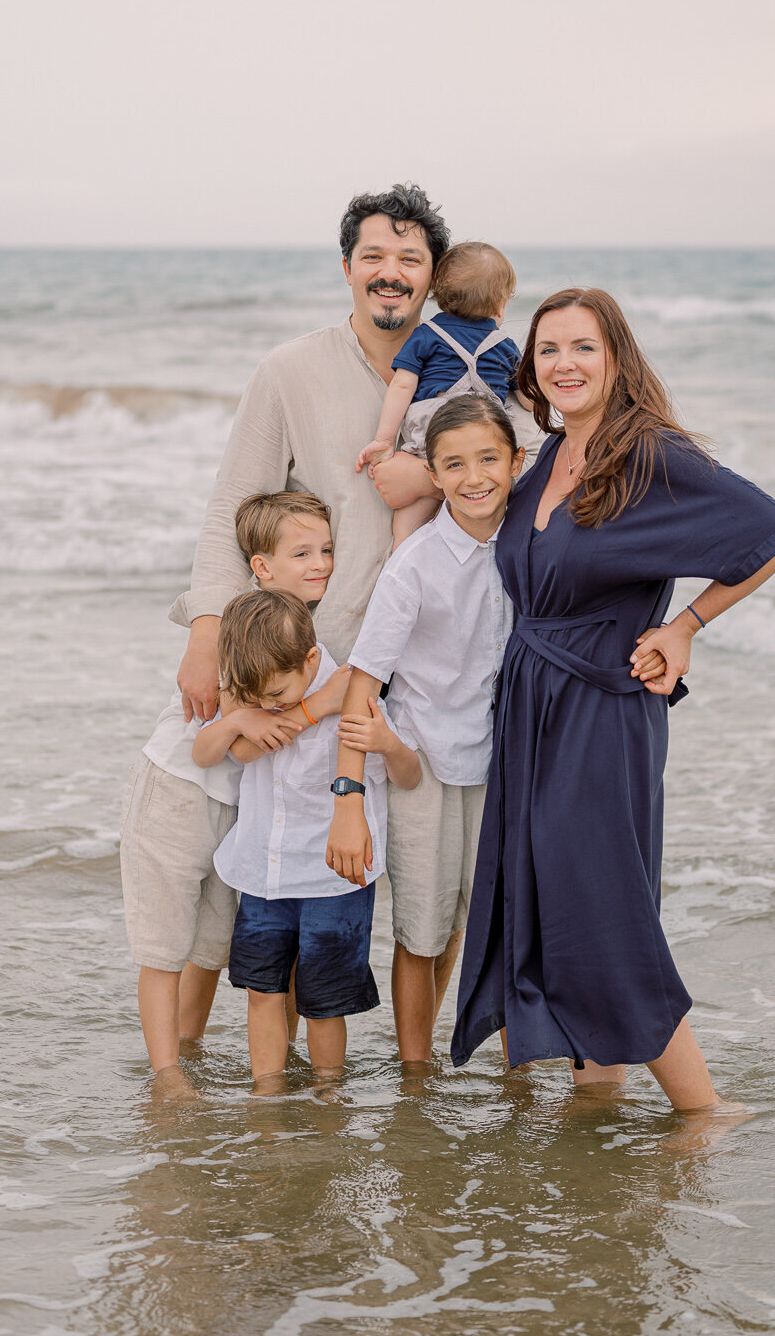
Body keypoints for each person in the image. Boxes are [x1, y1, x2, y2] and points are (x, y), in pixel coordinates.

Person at [450, 287, 775, 1104]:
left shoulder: (647, 453)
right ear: (530, 370)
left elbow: (774, 530)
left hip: (602, 707)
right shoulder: (543, 458)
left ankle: (704, 1111)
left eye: (582, 348)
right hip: (531, 702)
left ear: (616, 359)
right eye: (547, 350)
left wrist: (685, 627)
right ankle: (597, 1095)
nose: (563, 364)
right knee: (546, 894)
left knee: (598, 899)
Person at [171, 184, 453, 723]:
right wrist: (206, 633)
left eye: (410, 259)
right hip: (311, 660)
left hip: (436, 664)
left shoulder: (473, 373)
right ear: (347, 268)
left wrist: (428, 476)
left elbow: (524, 473)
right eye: (373, 257)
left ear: (433, 277)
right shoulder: (288, 370)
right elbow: (233, 505)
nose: (390, 273)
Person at [121, 490, 341, 1100]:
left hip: (237, 803)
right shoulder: (242, 622)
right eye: (302, 552)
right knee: (165, 942)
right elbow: (210, 740)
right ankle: (167, 1073)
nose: (320, 562)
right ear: (262, 567)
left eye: (326, 549)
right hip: (178, 789)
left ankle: (187, 1045)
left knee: (213, 942)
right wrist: (247, 720)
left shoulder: (302, 628)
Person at [331, 393, 524, 1064]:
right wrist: (346, 802)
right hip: (420, 763)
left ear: (515, 462)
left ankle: (507, 1070)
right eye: (454, 465)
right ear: (433, 477)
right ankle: (415, 1076)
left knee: (484, 926)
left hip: (501, 761)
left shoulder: (531, 548)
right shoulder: (412, 564)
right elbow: (362, 685)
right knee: (422, 931)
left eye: (488, 459)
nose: (474, 477)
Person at [211, 589, 419, 1085]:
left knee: (324, 1002)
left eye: (276, 695)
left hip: (334, 878)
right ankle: (267, 1091)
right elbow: (238, 751)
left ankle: (329, 1094)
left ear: (309, 659)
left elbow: (408, 776)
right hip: (265, 871)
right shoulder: (260, 691)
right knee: (262, 991)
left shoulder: (357, 695)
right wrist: (292, 708)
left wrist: (389, 744)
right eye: (257, 699)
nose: (266, 706)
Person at [356, 242, 524, 547]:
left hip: (430, 435)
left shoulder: (426, 335)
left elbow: (403, 386)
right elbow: (527, 397)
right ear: (499, 304)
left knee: (410, 515)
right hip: (484, 438)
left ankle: (402, 555)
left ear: (438, 295)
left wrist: (384, 440)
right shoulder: (505, 345)